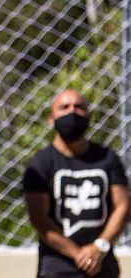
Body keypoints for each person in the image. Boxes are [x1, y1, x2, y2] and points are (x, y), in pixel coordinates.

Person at [23, 89, 129, 278]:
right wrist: (78, 254)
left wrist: (99, 247)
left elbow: (123, 206)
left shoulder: (107, 158)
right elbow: (39, 219)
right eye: (64, 107)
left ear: (89, 116)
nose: (72, 112)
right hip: (57, 268)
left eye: (78, 107)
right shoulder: (41, 163)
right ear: (51, 118)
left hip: (103, 266)